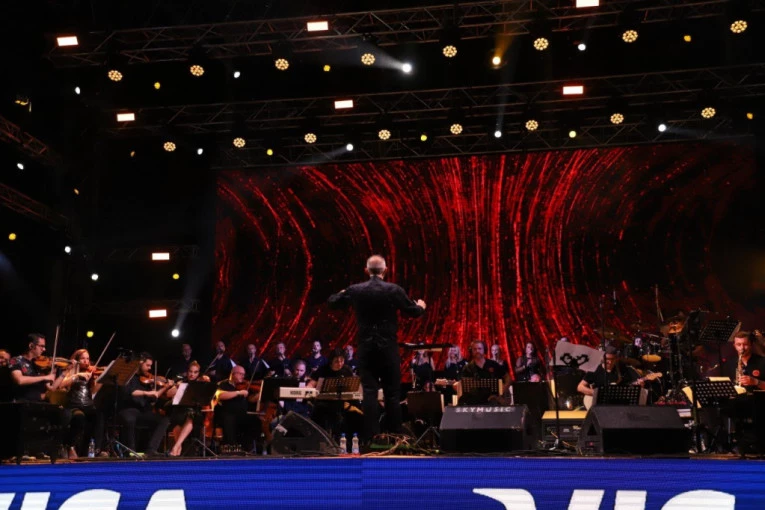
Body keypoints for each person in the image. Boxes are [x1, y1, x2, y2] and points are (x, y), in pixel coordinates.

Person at [328, 254, 426, 440]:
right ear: (385, 270)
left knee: (369, 393)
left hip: (366, 349)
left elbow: (332, 302)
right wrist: (421, 306)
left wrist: (341, 292)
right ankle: (395, 437)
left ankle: (371, 439)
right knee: (392, 395)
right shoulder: (394, 290)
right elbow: (413, 312)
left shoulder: (356, 290)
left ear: (366, 271)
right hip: (388, 349)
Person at [118, 353, 172, 456]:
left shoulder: (147, 379)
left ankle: (151, 450)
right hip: (128, 409)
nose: (150, 368)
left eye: (151, 366)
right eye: (147, 365)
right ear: (140, 363)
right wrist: (146, 393)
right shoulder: (128, 375)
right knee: (129, 419)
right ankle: (130, 451)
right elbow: (130, 392)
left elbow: (154, 397)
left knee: (164, 420)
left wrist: (165, 387)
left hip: (142, 411)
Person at [59, 349, 106, 458]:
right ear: (76, 360)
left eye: (87, 359)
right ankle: (70, 446)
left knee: (98, 417)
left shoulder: (90, 373)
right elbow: (61, 384)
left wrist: (101, 380)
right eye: (83, 358)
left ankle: (94, 449)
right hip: (73, 405)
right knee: (79, 417)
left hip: (88, 405)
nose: (86, 361)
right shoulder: (71, 371)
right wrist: (77, 375)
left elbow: (93, 391)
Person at [165, 361, 210, 457]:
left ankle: (176, 447)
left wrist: (206, 383)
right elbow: (168, 394)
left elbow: (206, 398)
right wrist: (177, 387)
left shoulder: (201, 382)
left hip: (195, 412)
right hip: (180, 410)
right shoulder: (182, 381)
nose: (192, 374)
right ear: (187, 371)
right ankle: (178, 448)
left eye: (195, 372)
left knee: (190, 417)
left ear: (198, 373)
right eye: (190, 371)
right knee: (176, 421)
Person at [9, 334, 63, 402]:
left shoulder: (39, 365)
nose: (44, 349)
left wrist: (64, 372)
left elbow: (51, 388)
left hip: (38, 403)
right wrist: (45, 377)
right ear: (31, 345)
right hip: (22, 403)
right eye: (42, 346)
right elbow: (20, 380)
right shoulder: (15, 360)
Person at [214, 365, 255, 450]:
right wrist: (238, 393)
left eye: (243, 374)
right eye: (241, 374)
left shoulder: (243, 385)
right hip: (227, 414)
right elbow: (220, 395)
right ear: (233, 374)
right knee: (229, 418)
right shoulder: (223, 384)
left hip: (241, 415)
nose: (243, 377)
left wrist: (260, 394)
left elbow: (251, 399)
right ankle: (232, 447)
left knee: (255, 420)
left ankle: (247, 448)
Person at [577, 345, 641, 398]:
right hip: (599, 403)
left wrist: (639, 384)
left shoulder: (622, 369)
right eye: (607, 359)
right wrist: (596, 393)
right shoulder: (595, 369)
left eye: (612, 359)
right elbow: (580, 387)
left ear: (616, 359)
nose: (610, 362)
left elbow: (633, 384)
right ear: (602, 358)